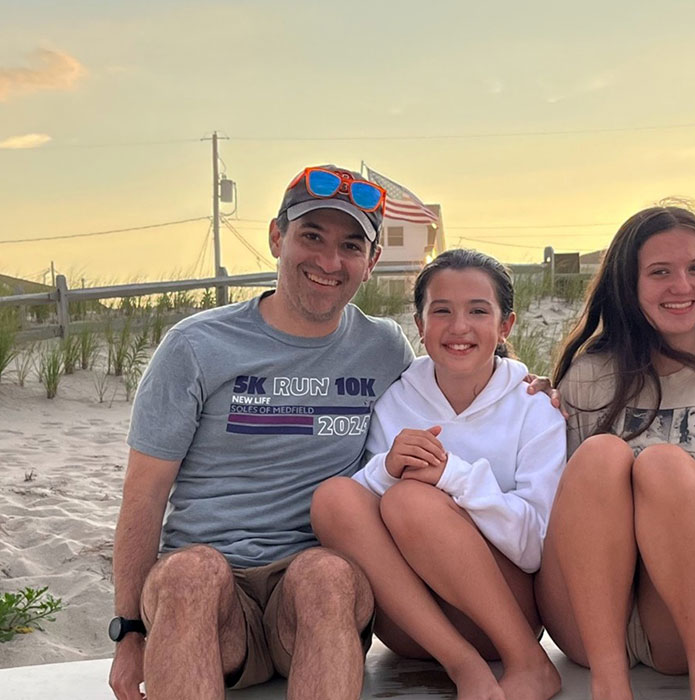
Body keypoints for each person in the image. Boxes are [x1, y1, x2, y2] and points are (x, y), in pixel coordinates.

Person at [108, 165, 414, 700]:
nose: (328, 261)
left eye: (349, 246)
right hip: (209, 602)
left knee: (327, 575)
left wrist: (528, 386)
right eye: (311, 236)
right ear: (277, 237)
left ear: (371, 264)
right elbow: (144, 495)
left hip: (312, 604)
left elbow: (454, 399)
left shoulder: (385, 348)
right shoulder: (195, 346)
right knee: (190, 575)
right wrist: (129, 632)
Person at [534, 205, 695, 700]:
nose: (683, 286)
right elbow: (560, 505)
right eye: (660, 272)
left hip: (682, 618)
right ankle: (610, 689)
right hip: (584, 622)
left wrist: (663, 504)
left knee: (663, 467)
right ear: (627, 284)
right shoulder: (588, 376)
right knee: (600, 458)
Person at [311, 249, 565, 700]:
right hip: (415, 628)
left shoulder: (534, 407)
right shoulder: (397, 400)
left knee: (412, 501)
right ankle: (463, 667)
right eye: (441, 311)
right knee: (334, 496)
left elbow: (536, 548)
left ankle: (530, 663)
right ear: (420, 325)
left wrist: (454, 477)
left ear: (506, 325)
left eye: (478, 311)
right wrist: (386, 470)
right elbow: (355, 520)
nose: (459, 327)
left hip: (504, 620)